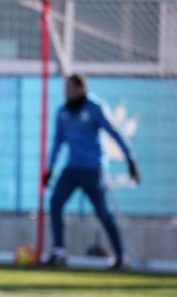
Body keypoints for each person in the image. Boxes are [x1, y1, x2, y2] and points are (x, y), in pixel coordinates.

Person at [43, 72, 139, 270]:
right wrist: (50, 168)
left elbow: (114, 133)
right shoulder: (62, 112)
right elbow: (57, 142)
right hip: (72, 169)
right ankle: (59, 252)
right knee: (55, 203)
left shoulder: (95, 108)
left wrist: (130, 159)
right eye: (65, 88)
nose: (66, 92)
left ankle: (121, 257)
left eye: (69, 88)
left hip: (93, 170)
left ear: (80, 89)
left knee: (102, 212)